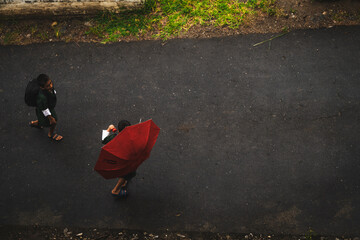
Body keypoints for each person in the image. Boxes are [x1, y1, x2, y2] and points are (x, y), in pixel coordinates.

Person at [102, 120, 136, 197]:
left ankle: (123, 181)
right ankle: (115, 190)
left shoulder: (114, 138)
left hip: (116, 161)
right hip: (126, 163)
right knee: (126, 175)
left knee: (121, 173)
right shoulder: (132, 140)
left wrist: (109, 129)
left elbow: (104, 140)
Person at [29, 74, 63, 141]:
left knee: (42, 119)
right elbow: (44, 109)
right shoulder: (42, 98)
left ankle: (37, 123)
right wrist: (50, 118)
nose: (51, 86)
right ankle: (51, 134)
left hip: (45, 108)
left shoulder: (48, 89)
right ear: (42, 87)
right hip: (45, 110)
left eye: (50, 83)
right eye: (48, 85)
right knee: (53, 122)